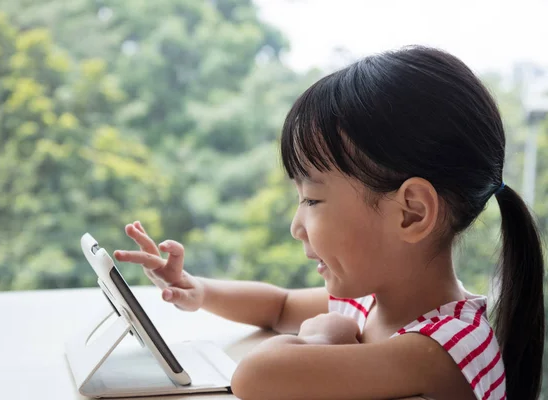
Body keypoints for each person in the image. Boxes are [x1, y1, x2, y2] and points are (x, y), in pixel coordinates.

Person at [114, 46, 544, 400]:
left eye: (313, 199)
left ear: (411, 212)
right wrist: (200, 289)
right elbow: (277, 306)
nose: (296, 226)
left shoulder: (442, 349)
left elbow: (256, 377)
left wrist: (325, 334)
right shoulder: (373, 303)